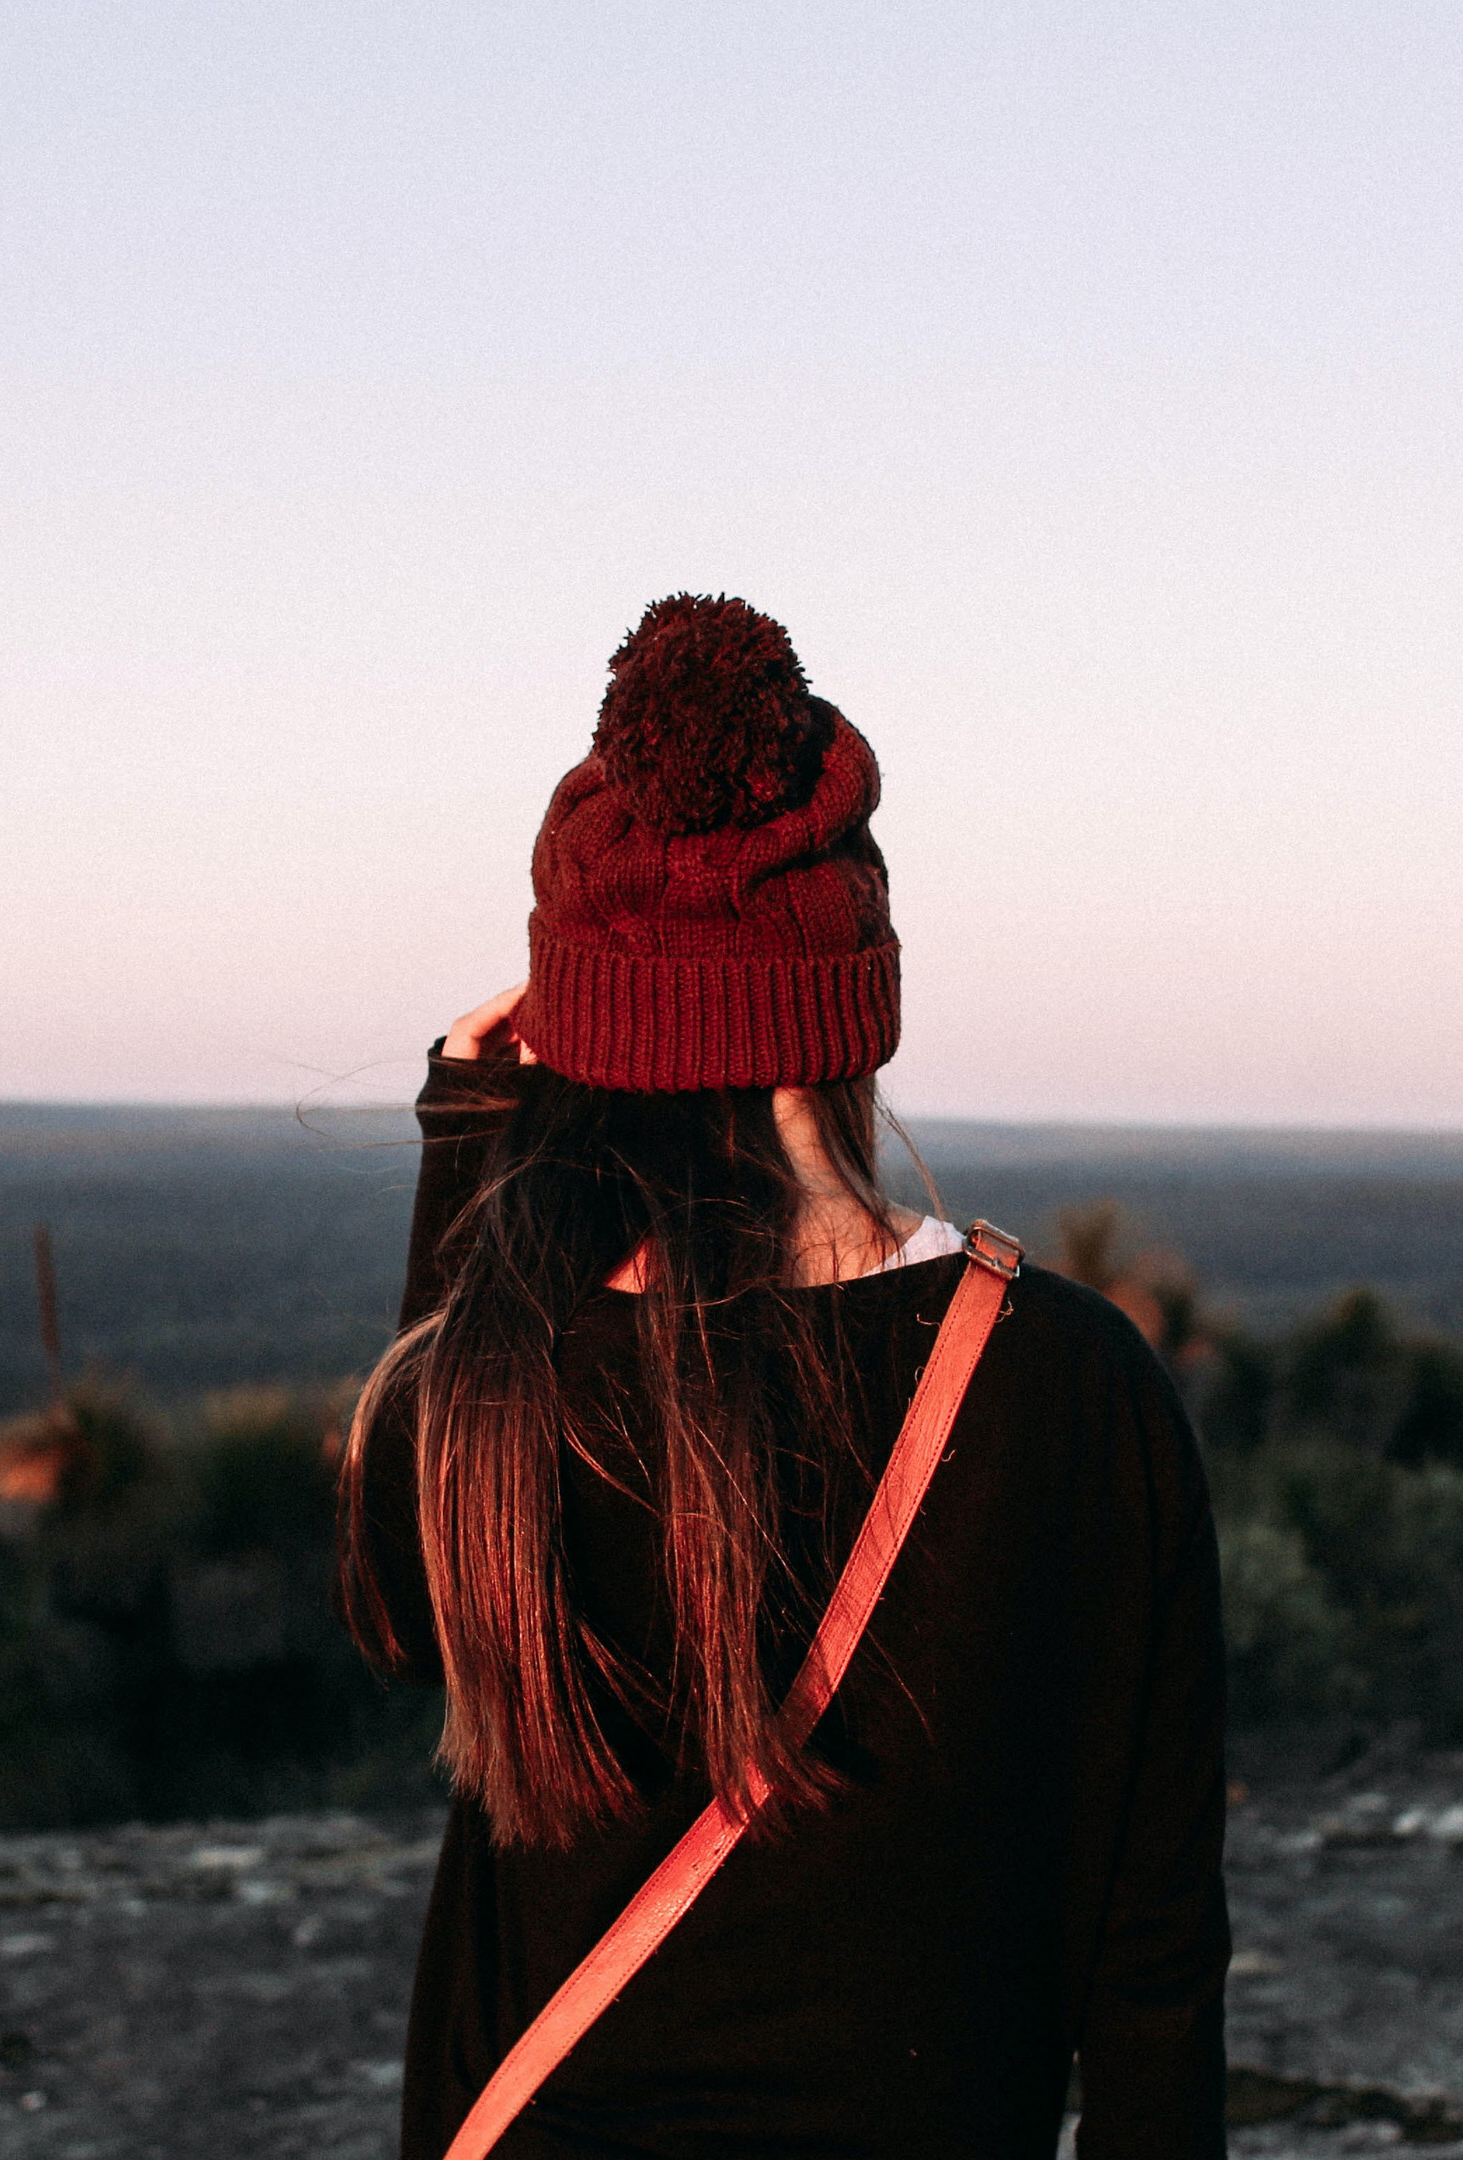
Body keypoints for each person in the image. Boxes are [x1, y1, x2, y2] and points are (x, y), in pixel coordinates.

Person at [339, 594, 1228, 2158]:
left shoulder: (497, 1389)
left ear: (573, 1035)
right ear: (852, 1008)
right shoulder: (1074, 1389)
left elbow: (406, 1627)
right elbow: (1148, 1961)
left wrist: (466, 1166)